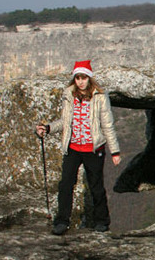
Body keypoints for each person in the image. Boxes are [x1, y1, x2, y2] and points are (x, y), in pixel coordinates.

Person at [35, 60, 121, 235]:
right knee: (65, 184)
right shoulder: (69, 95)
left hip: (93, 148)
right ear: (74, 79)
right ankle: (62, 222)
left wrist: (115, 151)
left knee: (96, 186)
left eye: (84, 78)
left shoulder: (99, 97)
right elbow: (65, 123)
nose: (81, 81)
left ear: (89, 78)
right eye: (78, 78)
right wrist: (48, 128)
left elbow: (107, 125)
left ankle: (102, 222)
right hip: (73, 148)